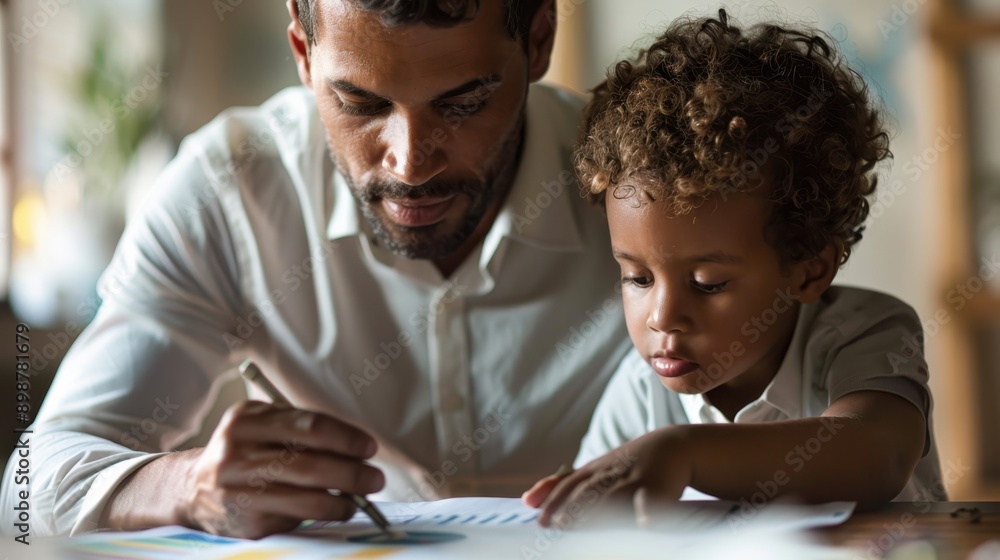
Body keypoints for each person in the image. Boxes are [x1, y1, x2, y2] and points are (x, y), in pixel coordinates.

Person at [1, 0, 632, 538]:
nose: (411, 164)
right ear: (303, 52)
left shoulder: (640, 186)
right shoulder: (231, 192)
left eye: (464, 103)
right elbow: (29, 487)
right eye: (360, 102)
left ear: (539, 40)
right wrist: (188, 485)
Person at [521, 9, 946, 528]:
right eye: (638, 278)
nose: (663, 317)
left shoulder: (862, 333)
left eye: (708, 284)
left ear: (809, 270)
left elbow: (877, 455)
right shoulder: (639, 389)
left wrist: (685, 452)